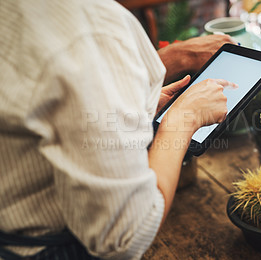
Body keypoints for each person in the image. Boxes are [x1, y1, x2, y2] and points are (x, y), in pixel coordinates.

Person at [0, 0, 236, 259]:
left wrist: (134, 99)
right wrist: (184, 119)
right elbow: (125, 235)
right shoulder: (92, 26)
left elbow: (49, 95)